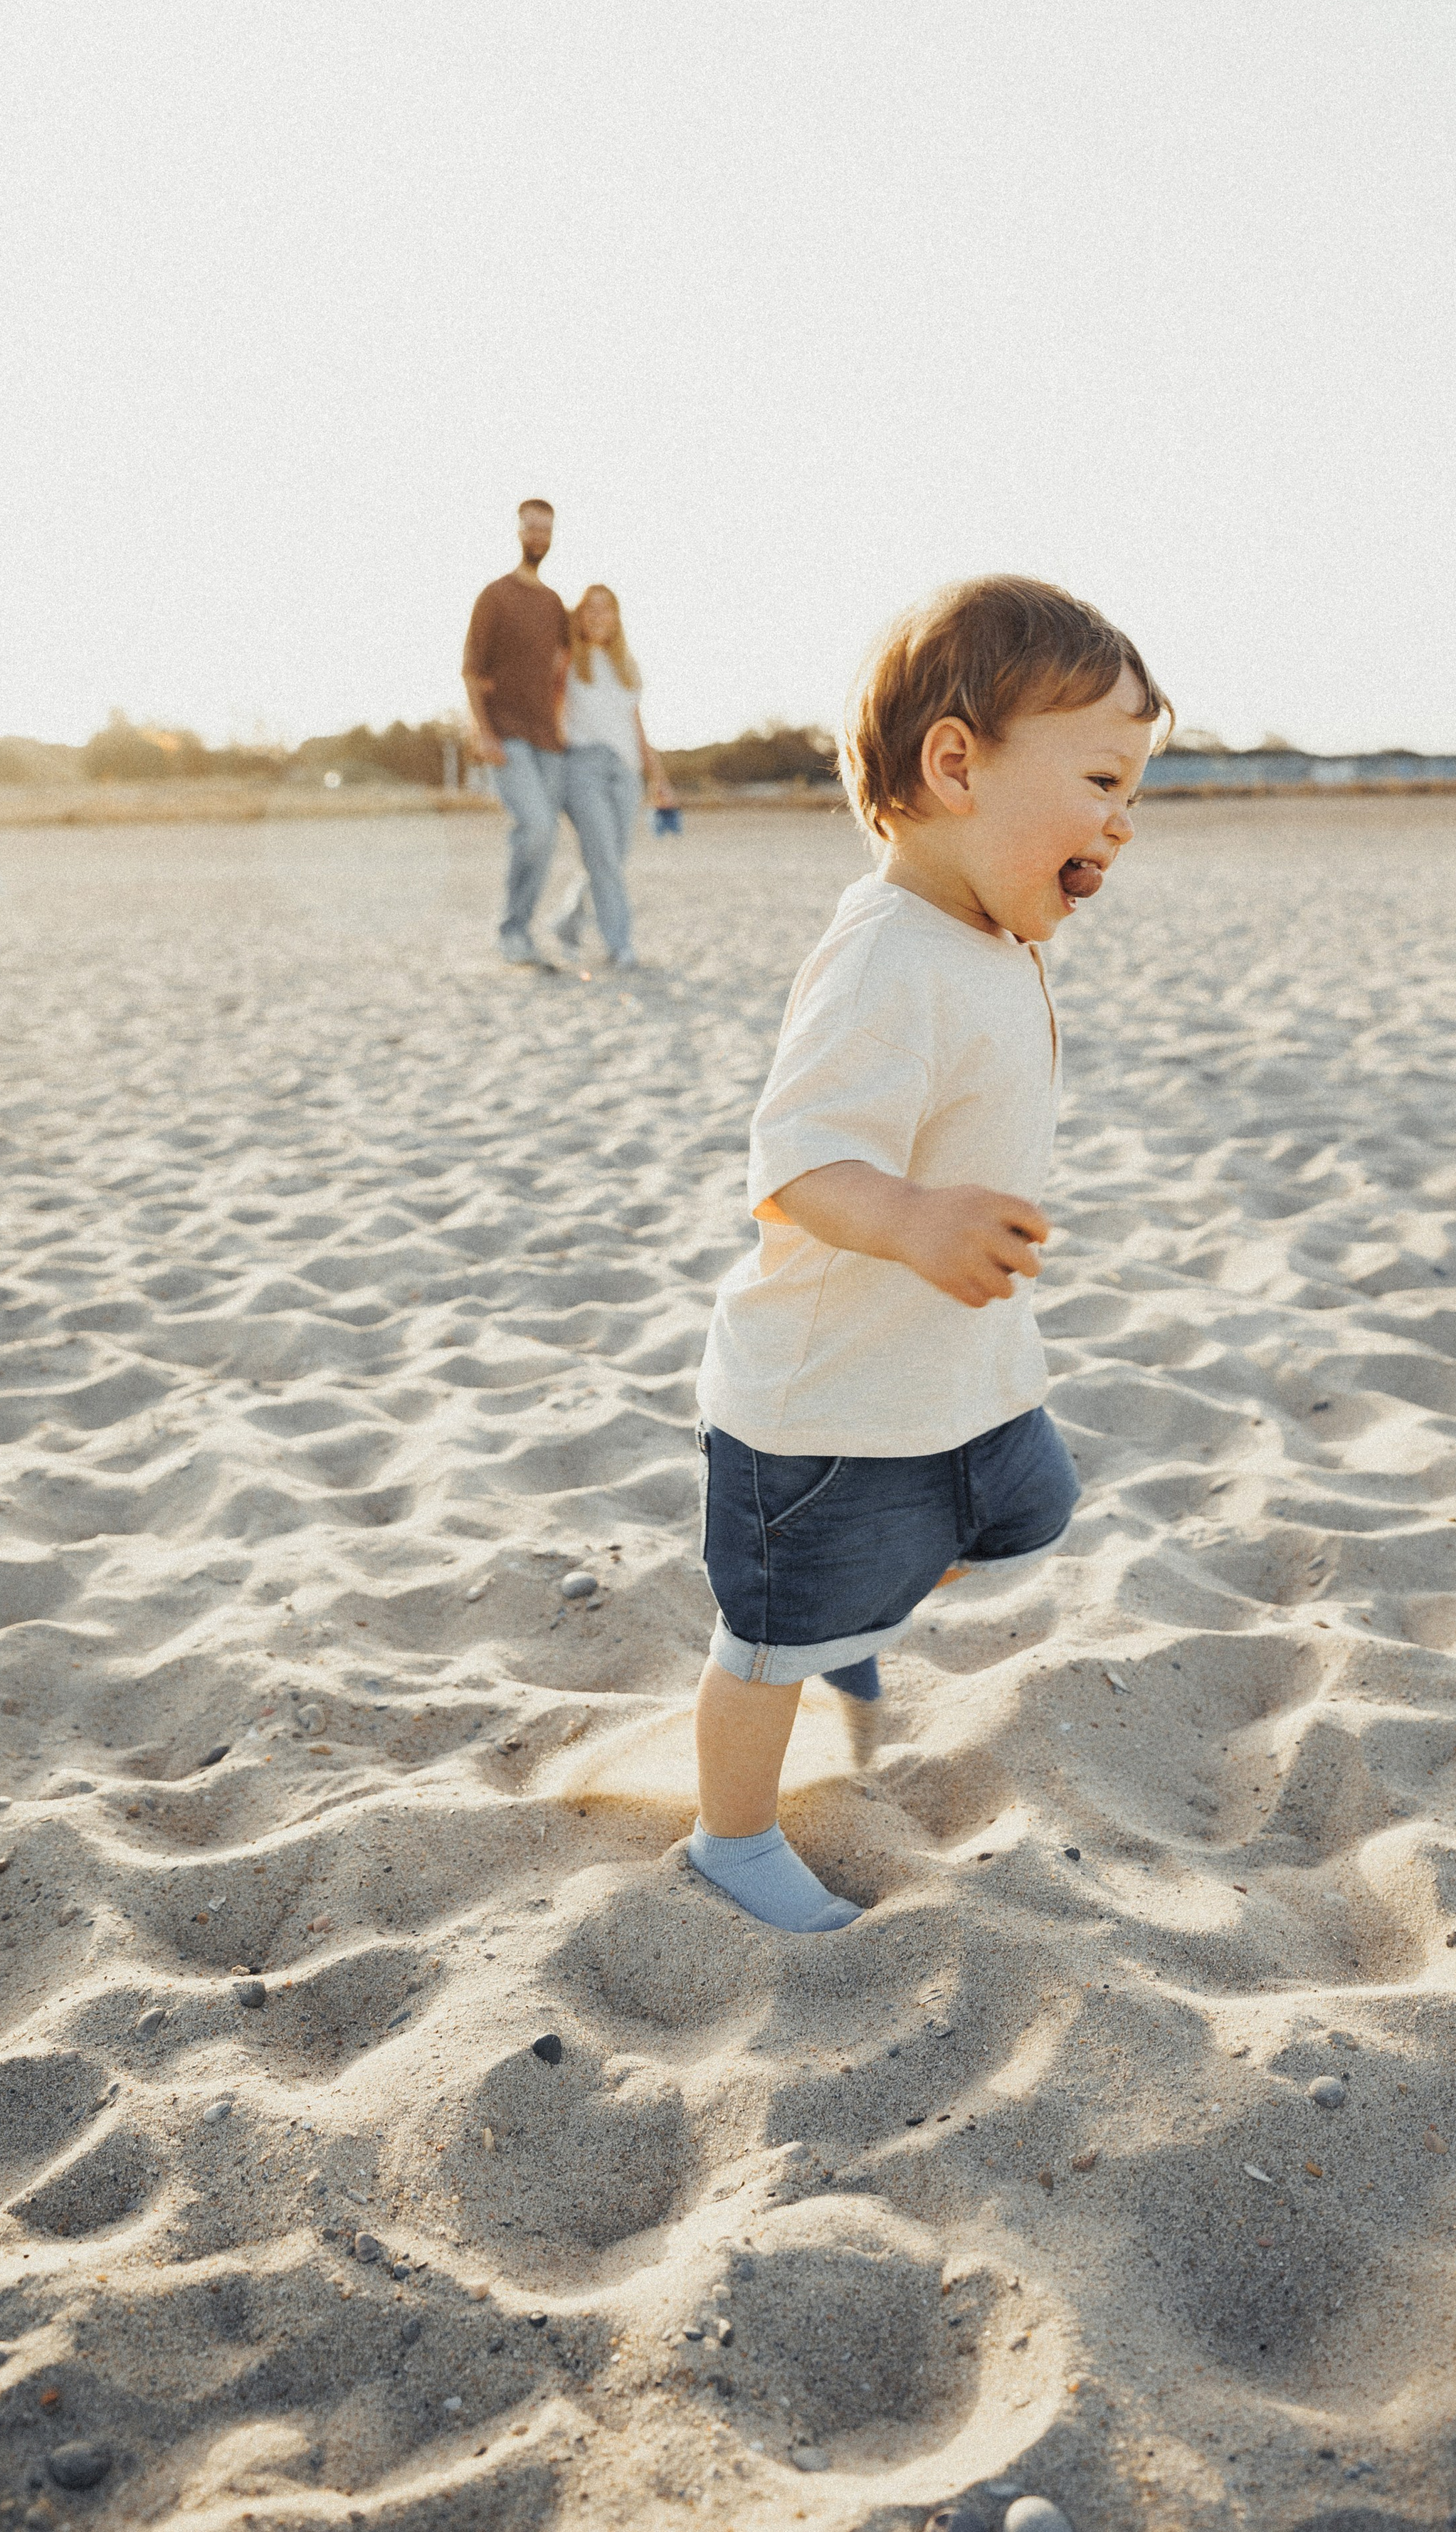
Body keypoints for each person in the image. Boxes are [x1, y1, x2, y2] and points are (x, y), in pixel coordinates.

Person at [685, 576, 1169, 1932]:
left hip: (957, 1372)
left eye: (1133, 791)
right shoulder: (886, 955)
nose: (1122, 822)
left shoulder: (985, 934)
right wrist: (912, 1219)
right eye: (1099, 780)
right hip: (827, 1406)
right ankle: (730, 1839)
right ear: (957, 765)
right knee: (770, 1642)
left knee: (1031, 1503)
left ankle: (865, 1605)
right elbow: (795, 1159)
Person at [463, 500, 571, 965]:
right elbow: (471, 672)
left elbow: (563, 671)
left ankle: (520, 930)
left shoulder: (553, 604)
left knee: (544, 838)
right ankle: (511, 929)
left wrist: (562, 723)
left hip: (549, 740)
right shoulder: (494, 595)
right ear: (518, 531)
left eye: (546, 530)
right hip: (506, 735)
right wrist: (483, 732)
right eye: (532, 528)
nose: (539, 537)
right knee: (536, 826)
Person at [549, 584, 675, 970]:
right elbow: (552, 718)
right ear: (579, 615)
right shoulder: (567, 660)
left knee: (610, 861)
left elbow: (637, 728)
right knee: (603, 859)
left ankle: (567, 923)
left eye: (607, 608)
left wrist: (659, 778)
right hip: (582, 767)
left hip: (626, 774)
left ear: (617, 616)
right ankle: (620, 947)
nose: (599, 615)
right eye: (590, 608)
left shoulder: (627, 668)